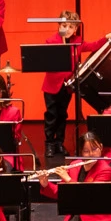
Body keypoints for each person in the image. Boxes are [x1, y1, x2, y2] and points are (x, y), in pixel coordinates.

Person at [40, 12, 91, 161]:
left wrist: (107, 38)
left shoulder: (77, 41)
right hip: (51, 87)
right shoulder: (51, 41)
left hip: (66, 86)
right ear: (58, 26)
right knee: (52, 115)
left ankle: (59, 143)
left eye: (71, 27)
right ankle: (49, 143)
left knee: (62, 115)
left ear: (75, 29)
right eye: (64, 26)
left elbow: (92, 45)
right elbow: (47, 61)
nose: (67, 29)